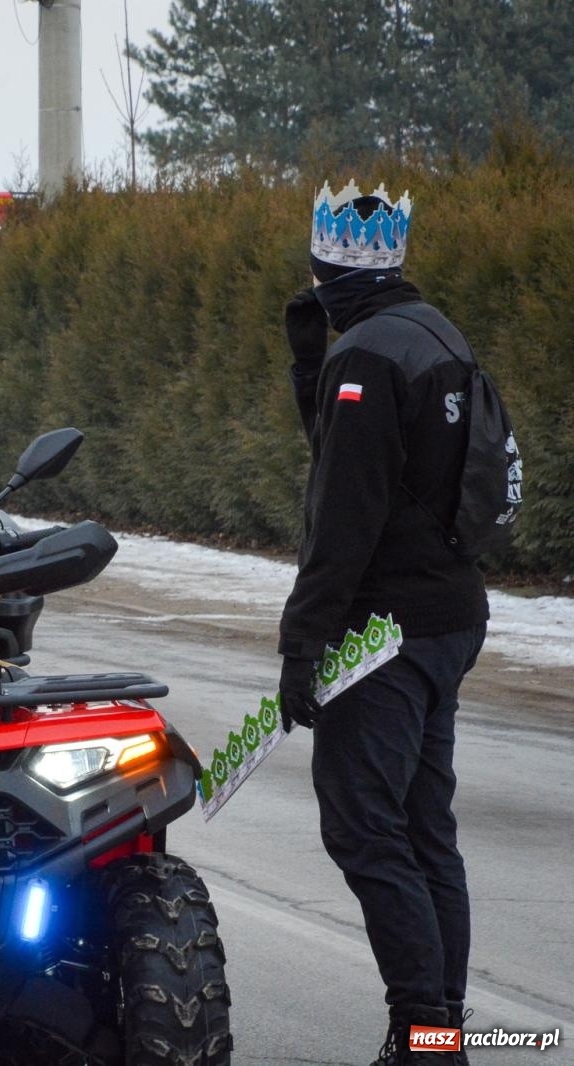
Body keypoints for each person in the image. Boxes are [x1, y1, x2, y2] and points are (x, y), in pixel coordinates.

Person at [277, 181, 487, 1065]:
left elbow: (346, 514)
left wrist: (303, 641)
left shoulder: (363, 359)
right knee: (421, 823)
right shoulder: (436, 332)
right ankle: (440, 1032)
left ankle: (424, 1035)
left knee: (364, 824)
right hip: (448, 614)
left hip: (385, 629)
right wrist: (306, 369)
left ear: (326, 269)